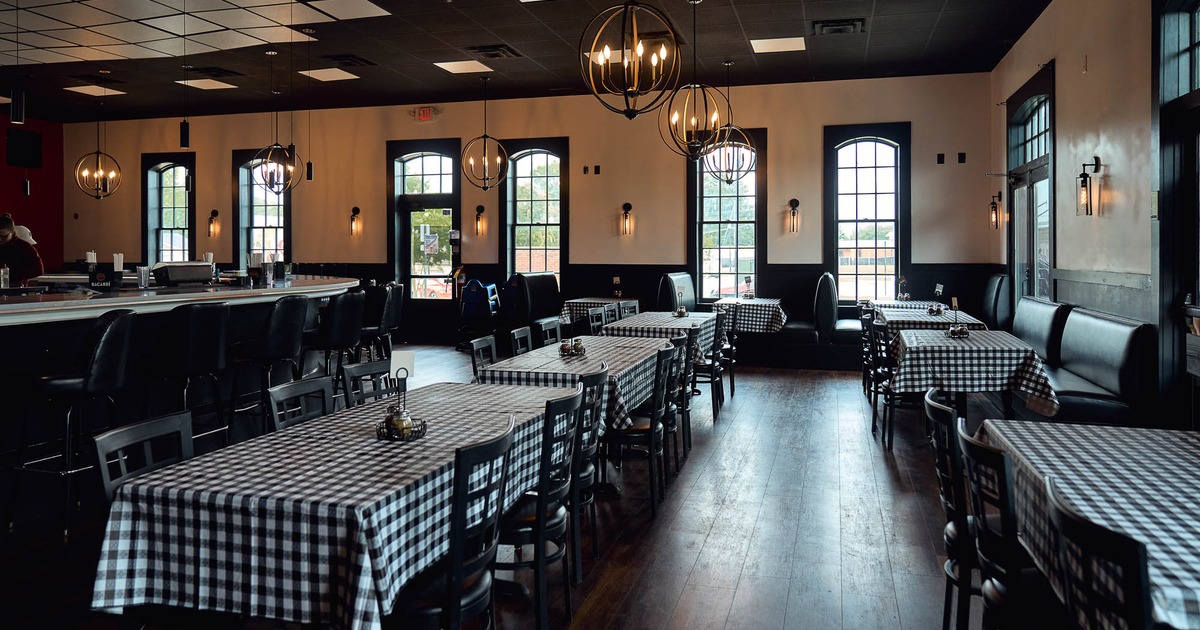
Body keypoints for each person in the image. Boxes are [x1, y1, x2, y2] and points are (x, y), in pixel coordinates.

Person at [0, 213, 44, 286]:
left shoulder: (24, 248)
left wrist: (15, 275)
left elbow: (38, 270)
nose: (0, 239)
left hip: (16, 287)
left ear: (12, 232)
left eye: (4, 236)